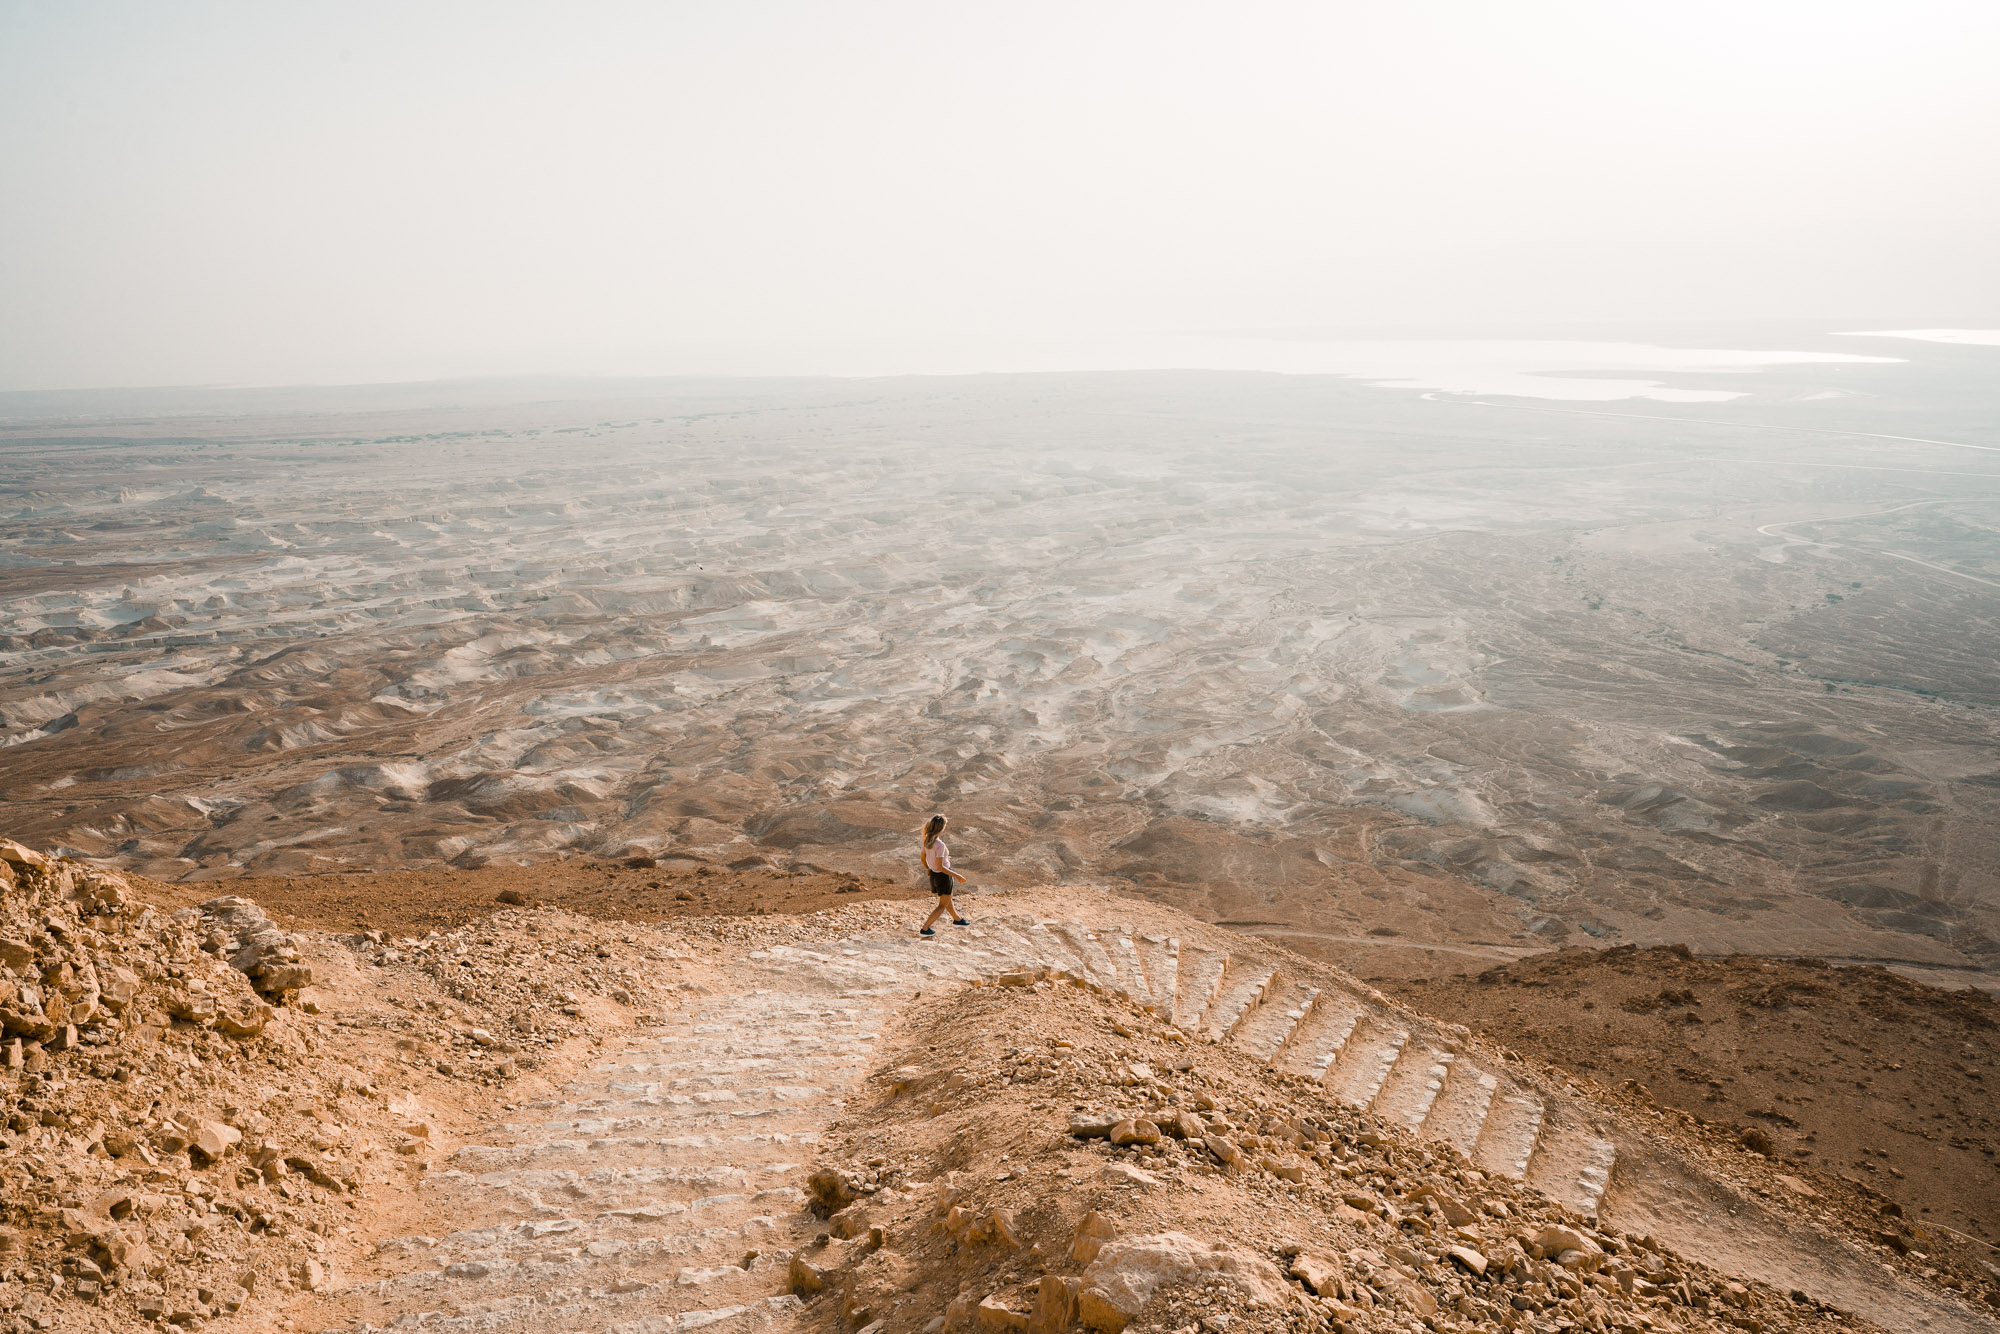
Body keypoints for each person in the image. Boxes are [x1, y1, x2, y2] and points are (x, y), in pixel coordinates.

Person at [917, 813, 969, 936]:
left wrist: (928, 868)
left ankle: (957, 919)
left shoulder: (927, 840)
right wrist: (957, 876)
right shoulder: (940, 845)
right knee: (942, 905)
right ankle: (925, 929)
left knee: (947, 898)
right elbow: (941, 867)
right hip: (942, 876)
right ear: (941, 828)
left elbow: (923, 858)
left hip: (934, 875)